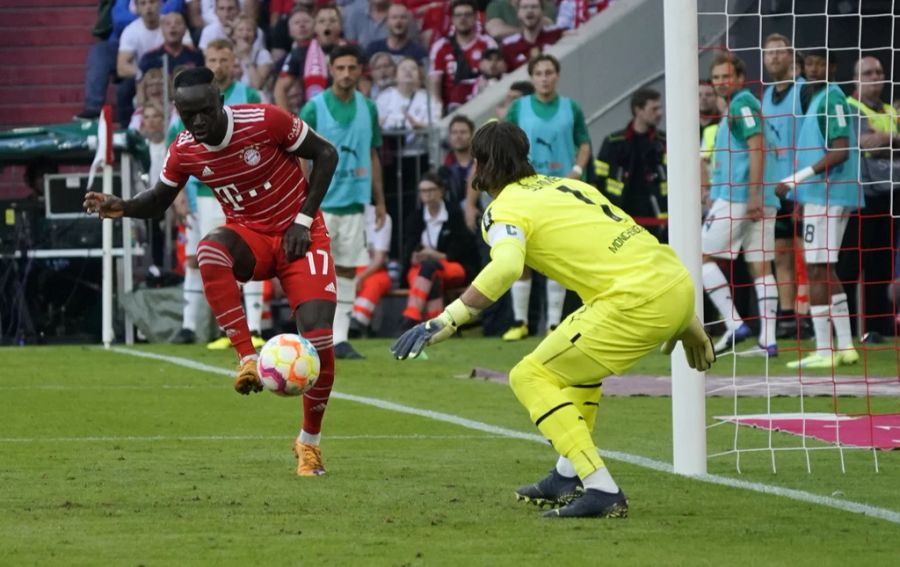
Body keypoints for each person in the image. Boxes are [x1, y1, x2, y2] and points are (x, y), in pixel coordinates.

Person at [391, 121, 714, 518]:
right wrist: (686, 318)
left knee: (529, 375)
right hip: (677, 284)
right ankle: (567, 473)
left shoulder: (503, 208)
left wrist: (447, 319)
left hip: (637, 301)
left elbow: (507, 265)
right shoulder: (570, 186)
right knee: (574, 365)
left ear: (479, 164)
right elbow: (628, 245)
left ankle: (601, 487)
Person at [83, 66, 340, 477]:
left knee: (320, 337)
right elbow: (160, 199)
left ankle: (308, 444)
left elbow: (327, 154)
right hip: (251, 239)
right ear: (179, 113)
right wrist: (125, 207)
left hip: (300, 236)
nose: (198, 122)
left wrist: (304, 221)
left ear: (220, 100)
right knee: (208, 251)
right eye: (189, 115)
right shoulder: (184, 148)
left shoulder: (266, 120)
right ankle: (247, 359)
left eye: (205, 111)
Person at [167, 39, 265, 348]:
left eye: (225, 59)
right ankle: (190, 325)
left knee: (249, 256)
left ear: (234, 61)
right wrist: (179, 193)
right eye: (214, 59)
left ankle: (254, 326)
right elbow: (177, 143)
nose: (219, 65)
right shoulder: (190, 99)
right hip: (205, 190)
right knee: (199, 256)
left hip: (245, 191)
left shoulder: (249, 95)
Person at [300, 44, 387, 360]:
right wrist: (302, 199)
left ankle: (340, 338)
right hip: (320, 204)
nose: (347, 74)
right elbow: (301, 157)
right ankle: (311, 337)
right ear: (331, 70)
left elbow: (373, 154)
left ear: (360, 70)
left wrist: (380, 201)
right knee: (314, 271)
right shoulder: (314, 108)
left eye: (352, 68)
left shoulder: (369, 108)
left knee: (348, 269)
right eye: (341, 68)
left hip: (354, 202)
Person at [776, 49, 862, 368]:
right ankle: (846, 346)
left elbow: (840, 152)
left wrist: (794, 180)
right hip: (823, 196)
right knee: (825, 268)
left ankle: (825, 351)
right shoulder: (817, 98)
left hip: (828, 195)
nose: (813, 69)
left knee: (816, 268)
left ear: (833, 66)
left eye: (820, 63)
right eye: (808, 64)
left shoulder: (833, 99)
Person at [503, 53, 591, 341]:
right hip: (528, 189)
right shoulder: (519, 108)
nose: (544, 77)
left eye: (549, 72)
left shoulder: (571, 108)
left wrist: (576, 171)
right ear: (532, 77)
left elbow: (584, 144)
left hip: (561, 191)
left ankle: (554, 324)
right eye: (539, 72)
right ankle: (520, 322)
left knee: (556, 252)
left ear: (557, 75)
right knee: (523, 253)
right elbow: (506, 144)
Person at [702, 52, 780, 357]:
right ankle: (768, 341)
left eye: (726, 76)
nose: (721, 82)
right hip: (758, 197)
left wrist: (752, 197)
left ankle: (734, 324)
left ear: (739, 77)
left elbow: (756, 145)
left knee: (700, 257)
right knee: (761, 267)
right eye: (716, 77)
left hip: (739, 197)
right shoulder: (742, 105)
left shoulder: (742, 104)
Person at [847, 55, 900, 337]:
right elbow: (862, 143)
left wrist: (883, 139)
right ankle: (847, 328)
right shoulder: (850, 107)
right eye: (868, 73)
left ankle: (878, 328)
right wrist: (889, 141)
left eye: (879, 71)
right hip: (862, 196)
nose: (875, 76)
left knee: (882, 264)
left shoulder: (890, 109)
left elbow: (875, 143)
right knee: (853, 264)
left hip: (890, 194)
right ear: (856, 78)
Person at [761, 33, 807, 340]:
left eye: (780, 52)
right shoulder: (765, 96)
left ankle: (811, 315)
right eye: (769, 53)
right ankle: (788, 316)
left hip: (803, 186)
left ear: (791, 57)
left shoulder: (803, 92)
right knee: (780, 254)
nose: (774, 57)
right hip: (777, 190)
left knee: (807, 253)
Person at [400, 172, 478, 327]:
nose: (427, 194)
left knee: (430, 267)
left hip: (453, 267)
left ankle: (411, 316)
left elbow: (461, 251)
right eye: (423, 191)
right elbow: (409, 251)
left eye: (431, 190)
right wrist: (414, 257)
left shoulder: (454, 214)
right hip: (423, 271)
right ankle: (435, 325)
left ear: (441, 191)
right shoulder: (415, 218)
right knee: (430, 274)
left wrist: (434, 255)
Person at [594, 88, 668, 239]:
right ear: (638, 110)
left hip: (658, 220)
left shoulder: (665, 142)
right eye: (654, 109)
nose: (660, 113)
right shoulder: (613, 142)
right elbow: (597, 181)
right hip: (622, 218)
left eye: (660, 108)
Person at [349, 205, 393, 337]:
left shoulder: (380, 216)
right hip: (347, 269)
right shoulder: (340, 215)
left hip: (374, 270)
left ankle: (356, 322)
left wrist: (360, 277)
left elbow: (379, 259)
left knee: (373, 283)